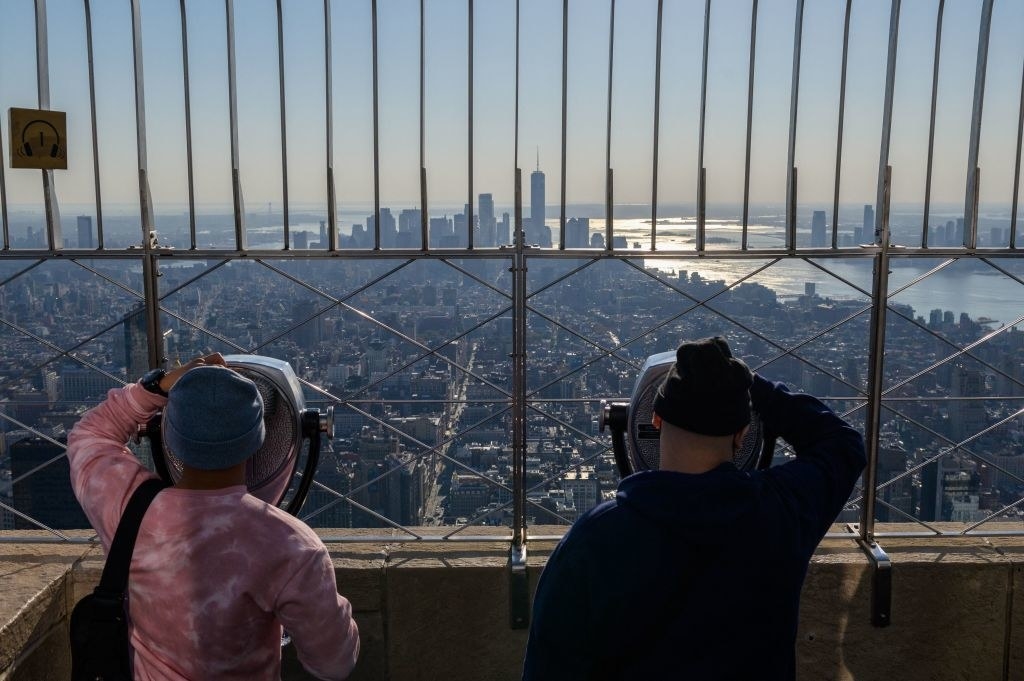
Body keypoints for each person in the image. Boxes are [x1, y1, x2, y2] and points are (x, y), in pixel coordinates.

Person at [522, 337, 866, 680]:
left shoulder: (593, 539)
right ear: (743, 434)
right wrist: (746, 385)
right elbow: (843, 445)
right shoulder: (783, 513)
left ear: (654, 420)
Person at [68, 353, 359, 680]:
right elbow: (334, 664)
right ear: (259, 438)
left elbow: (89, 435)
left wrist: (160, 384)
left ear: (169, 436)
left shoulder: (127, 507)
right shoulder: (291, 547)